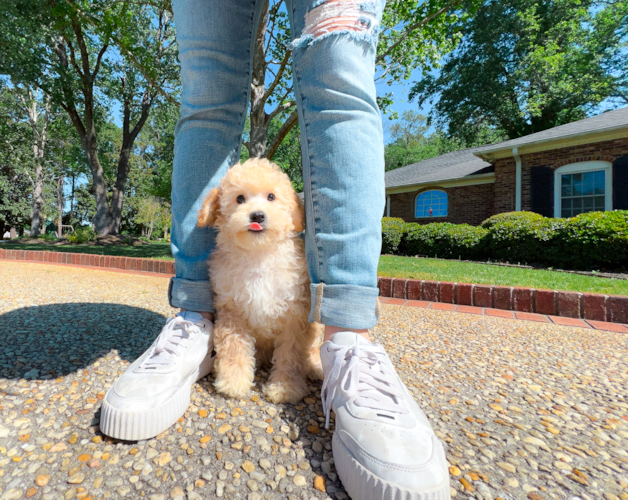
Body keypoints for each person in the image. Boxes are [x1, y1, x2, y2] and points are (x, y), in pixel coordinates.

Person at [101, 0, 449, 497]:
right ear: (219, 210)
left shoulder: (290, 244)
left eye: (269, 201)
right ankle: (194, 321)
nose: (257, 211)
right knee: (204, 93)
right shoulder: (225, 237)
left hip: (290, 322)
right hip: (232, 296)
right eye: (241, 201)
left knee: (340, 68)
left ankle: (349, 339)